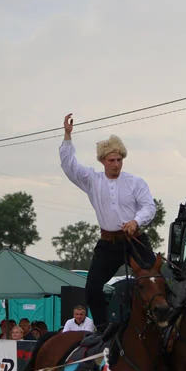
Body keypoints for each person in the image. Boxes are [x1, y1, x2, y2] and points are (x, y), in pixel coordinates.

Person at [60, 112, 156, 328]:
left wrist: (136, 221)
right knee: (92, 287)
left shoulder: (135, 182)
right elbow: (70, 167)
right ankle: (103, 329)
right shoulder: (92, 180)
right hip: (108, 243)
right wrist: (67, 136)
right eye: (111, 160)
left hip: (134, 240)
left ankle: (159, 322)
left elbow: (149, 206)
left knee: (155, 279)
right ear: (103, 161)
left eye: (119, 159)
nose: (116, 164)